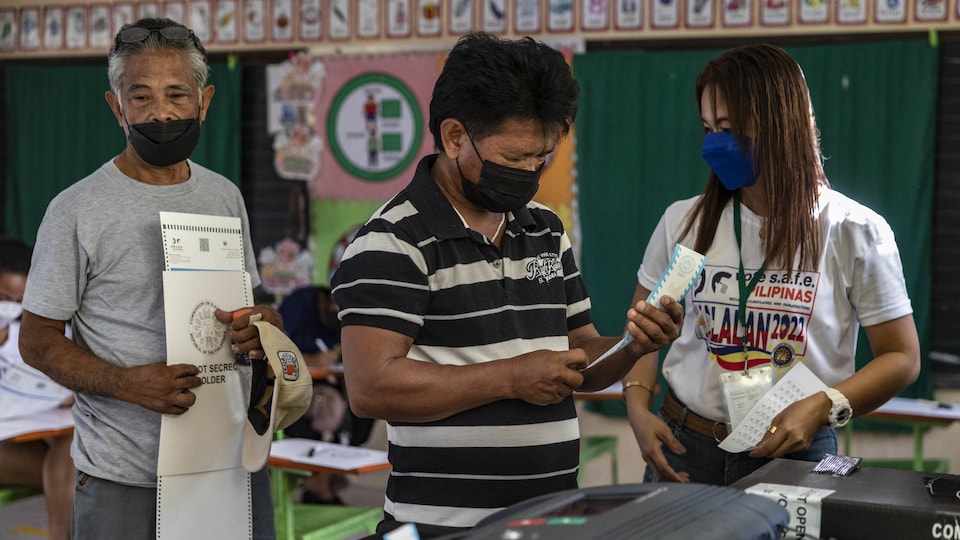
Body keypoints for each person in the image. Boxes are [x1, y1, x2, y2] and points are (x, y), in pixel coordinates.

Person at [331, 32, 684, 538]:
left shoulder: (544, 228)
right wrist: (511, 378)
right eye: (514, 157)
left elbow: (580, 357)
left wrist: (633, 345)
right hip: (442, 527)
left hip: (550, 521)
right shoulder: (392, 240)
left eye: (542, 157)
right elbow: (370, 388)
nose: (530, 173)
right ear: (454, 137)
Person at [18, 18, 282, 539]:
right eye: (140, 97)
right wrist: (126, 384)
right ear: (117, 108)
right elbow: (35, 340)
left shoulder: (224, 196)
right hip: (126, 479)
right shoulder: (77, 209)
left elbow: (248, 305)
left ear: (204, 102)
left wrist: (264, 324)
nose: (161, 112)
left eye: (176, 94)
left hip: (230, 460)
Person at [621, 43, 921, 487]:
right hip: (687, 447)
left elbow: (902, 358)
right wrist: (637, 409)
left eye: (728, 127)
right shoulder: (688, 223)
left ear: (781, 123)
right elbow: (643, 330)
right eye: (708, 128)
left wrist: (824, 404)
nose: (715, 144)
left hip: (794, 453)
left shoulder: (852, 230)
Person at [0, 238, 74, 540]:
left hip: (33, 438)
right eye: (4, 298)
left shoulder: (41, 333)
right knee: (77, 473)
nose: (11, 309)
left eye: (21, 303)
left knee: (72, 446)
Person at [278, 285, 374, 504]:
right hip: (298, 386)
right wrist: (312, 361)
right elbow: (275, 350)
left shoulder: (346, 318)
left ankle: (332, 472)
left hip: (329, 382)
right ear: (324, 301)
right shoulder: (299, 305)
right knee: (330, 407)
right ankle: (319, 482)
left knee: (365, 404)